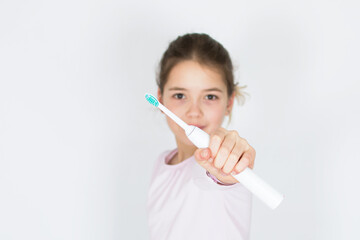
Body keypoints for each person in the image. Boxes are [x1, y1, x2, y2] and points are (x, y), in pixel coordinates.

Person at [146, 33, 256, 240]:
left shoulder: (222, 165)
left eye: (210, 97)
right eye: (180, 96)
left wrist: (231, 164)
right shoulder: (160, 164)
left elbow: (217, 177)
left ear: (229, 102)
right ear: (160, 100)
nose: (194, 112)